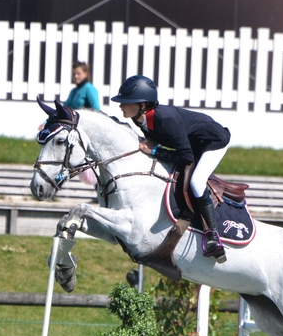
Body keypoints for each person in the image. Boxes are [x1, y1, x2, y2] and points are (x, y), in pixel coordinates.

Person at [111, 75, 231, 263]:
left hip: (213, 142)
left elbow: (186, 157)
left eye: (126, 102)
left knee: (196, 183)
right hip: (191, 142)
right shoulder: (139, 118)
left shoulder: (165, 119)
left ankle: (213, 235)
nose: (121, 106)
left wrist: (156, 150)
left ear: (143, 104)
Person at [63, 61, 100, 186]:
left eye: (78, 73)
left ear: (85, 73)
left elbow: (96, 111)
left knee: (92, 166)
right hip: (74, 132)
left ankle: (99, 190)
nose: (76, 77)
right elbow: (64, 109)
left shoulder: (89, 89)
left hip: (85, 133)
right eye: (74, 74)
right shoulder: (74, 91)